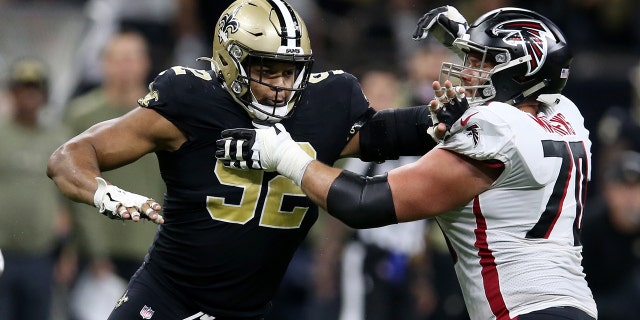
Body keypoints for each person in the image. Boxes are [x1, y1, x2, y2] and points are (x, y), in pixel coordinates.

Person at [46, 1, 466, 319]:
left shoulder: (327, 104)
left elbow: (387, 134)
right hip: (166, 296)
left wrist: (444, 115)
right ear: (230, 60)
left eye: (291, 71)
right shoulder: (190, 101)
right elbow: (69, 156)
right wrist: (103, 192)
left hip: (249, 309)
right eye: (267, 70)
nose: (282, 86)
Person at [216, 7, 599, 320]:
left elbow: (364, 204)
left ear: (521, 72)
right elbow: (519, 96)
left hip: (525, 310)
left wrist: (283, 154)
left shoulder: (498, 132)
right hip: (573, 306)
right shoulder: (567, 116)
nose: (466, 70)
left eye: (482, 62)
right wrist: (465, 36)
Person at [63, 30, 165, 320]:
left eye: (132, 59)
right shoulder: (80, 115)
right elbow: (66, 177)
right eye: (118, 59)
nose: (125, 67)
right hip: (92, 243)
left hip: (146, 242)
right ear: (104, 64)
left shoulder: (160, 115)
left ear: (145, 63)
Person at [0, 58, 73, 320]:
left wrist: (68, 250)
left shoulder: (59, 139)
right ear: (12, 92)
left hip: (41, 255)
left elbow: (70, 199)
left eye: (36, 88)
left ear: (45, 95)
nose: (29, 94)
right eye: (23, 87)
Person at [581, 150, 640, 319]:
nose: (631, 198)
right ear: (608, 192)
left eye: (636, 189)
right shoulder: (589, 227)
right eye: (623, 188)